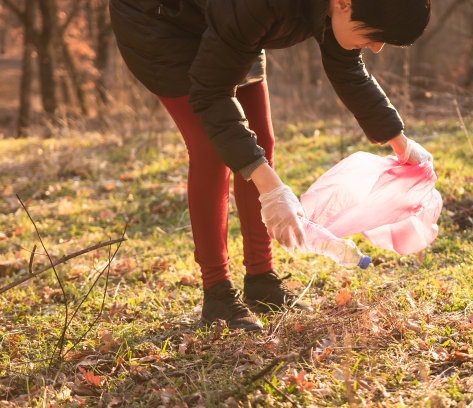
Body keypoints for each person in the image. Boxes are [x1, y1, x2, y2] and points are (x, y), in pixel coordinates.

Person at [109, 0, 433, 332]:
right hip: (161, 21)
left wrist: (399, 140)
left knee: (260, 137)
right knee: (211, 148)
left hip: (227, 24)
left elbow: (346, 65)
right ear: (344, 3)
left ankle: (261, 280)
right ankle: (217, 293)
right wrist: (270, 188)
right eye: (376, 36)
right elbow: (210, 95)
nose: (377, 48)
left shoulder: (335, 11)